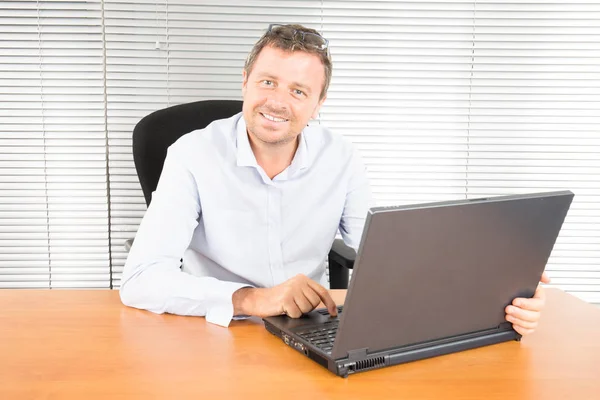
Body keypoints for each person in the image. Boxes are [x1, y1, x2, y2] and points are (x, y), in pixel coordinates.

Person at [120, 23, 550, 335]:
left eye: (299, 91)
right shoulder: (191, 154)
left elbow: (390, 256)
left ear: (318, 103)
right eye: (268, 81)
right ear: (246, 82)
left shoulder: (340, 158)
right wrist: (251, 299)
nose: (277, 101)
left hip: (311, 328)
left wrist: (498, 290)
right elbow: (141, 281)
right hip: (215, 327)